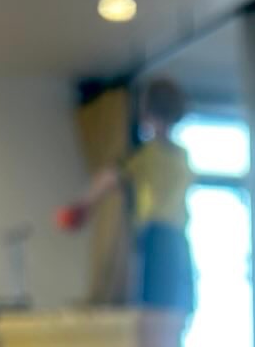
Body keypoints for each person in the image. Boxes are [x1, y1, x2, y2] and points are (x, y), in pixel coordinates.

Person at [68, 79, 195, 313]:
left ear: (148, 112)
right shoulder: (183, 157)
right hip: (178, 237)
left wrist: (83, 205)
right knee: (176, 306)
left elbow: (108, 178)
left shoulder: (147, 153)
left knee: (154, 306)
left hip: (156, 235)